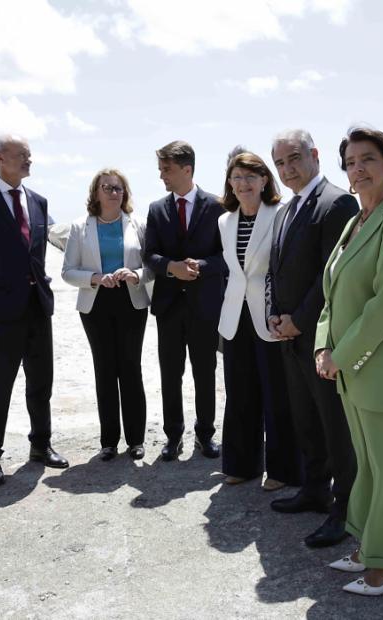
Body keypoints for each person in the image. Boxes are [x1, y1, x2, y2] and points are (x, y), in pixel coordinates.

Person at [315, 125, 383, 595]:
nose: (357, 169)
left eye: (367, 160)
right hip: (349, 369)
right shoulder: (357, 221)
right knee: (367, 464)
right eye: (350, 162)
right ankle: (369, 547)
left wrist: (340, 355)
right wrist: (322, 347)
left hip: (379, 369)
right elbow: (332, 295)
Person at [0, 134, 69, 486]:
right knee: (0, 385)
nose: (29, 160)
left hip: (37, 307)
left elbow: (37, 254)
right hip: (1, 313)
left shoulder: (38, 202)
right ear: (1, 158)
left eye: (29, 155)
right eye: (22, 155)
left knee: (41, 382)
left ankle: (41, 445)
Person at [267, 129, 359, 548]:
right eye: (280, 163)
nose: (287, 169)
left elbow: (331, 275)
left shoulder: (337, 203)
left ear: (315, 155)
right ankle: (314, 489)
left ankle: (345, 510)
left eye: (294, 158)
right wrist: (275, 314)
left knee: (334, 425)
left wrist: (299, 321)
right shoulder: (286, 209)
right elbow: (278, 270)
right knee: (305, 419)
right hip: (289, 335)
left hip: (321, 336)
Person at [216, 149, 302, 490]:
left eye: (250, 177)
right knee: (239, 393)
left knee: (277, 395)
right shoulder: (224, 221)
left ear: (265, 180)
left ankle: (282, 470)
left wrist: (285, 311)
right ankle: (241, 465)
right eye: (236, 178)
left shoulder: (280, 214)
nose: (243, 184)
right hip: (234, 316)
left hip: (270, 315)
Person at [142, 141, 226, 461]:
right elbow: (149, 255)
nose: (161, 175)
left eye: (167, 169)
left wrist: (201, 266)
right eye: (160, 169)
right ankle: (173, 436)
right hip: (169, 307)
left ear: (187, 169)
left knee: (205, 373)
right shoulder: (156, 209)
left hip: (205, 306)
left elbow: (226, 257)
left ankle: (205, 435)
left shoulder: (217, 206)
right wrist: (171, 267)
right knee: (170, 374)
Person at [62, 169, 152, 461]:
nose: (114, 192)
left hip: (131, 302)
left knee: (131, 368)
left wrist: (135, 274)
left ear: (125, 193)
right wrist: (95, 278)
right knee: (104, 370)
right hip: (96, 304)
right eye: (107, 187)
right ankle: (109, 442)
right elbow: (68, 272)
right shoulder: (80, 227)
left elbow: (152, 266)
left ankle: (136, 440)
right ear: (96, 192)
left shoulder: (138, 224)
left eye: (118, 188)